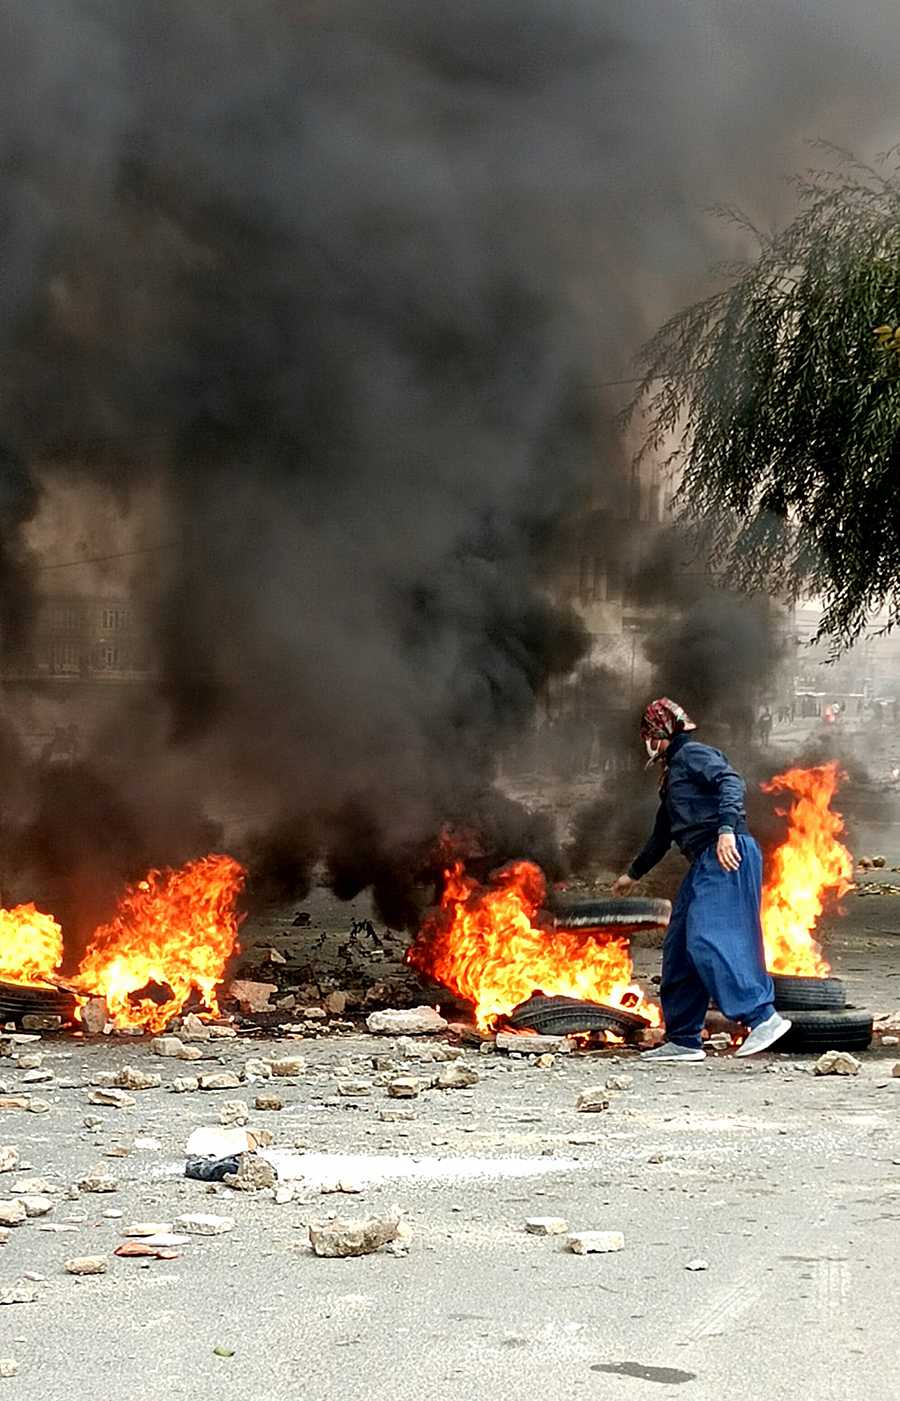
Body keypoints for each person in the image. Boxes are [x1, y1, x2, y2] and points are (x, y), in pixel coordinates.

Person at [612, 697, 791, 1062]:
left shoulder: (693, 755)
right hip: (703, 861)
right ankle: (684, 1039)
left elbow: (730, 781)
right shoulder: (674, 773)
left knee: (708, 937)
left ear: (661, 732)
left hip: (726, 853)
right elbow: (663, 833)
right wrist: (632, 874)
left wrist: (727, 829)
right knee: (679, 947)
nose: (645, 741)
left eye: (648, 733)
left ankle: (762, 1017)